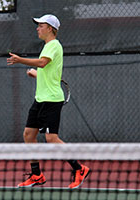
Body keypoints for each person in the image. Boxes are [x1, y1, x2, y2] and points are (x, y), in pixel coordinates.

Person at [7, 14, 90, 189]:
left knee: (51, 138)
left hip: (51, 100)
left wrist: (19, 59)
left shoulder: (53, 45)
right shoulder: (47, 47)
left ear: (50, 29)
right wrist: (35, 74)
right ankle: (37, 175)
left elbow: (43, 63)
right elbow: (48, 73)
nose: (37, 28)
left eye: (41, 25)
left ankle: (79, 168)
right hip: (40, 99)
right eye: (37, 25)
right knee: (29, 135)